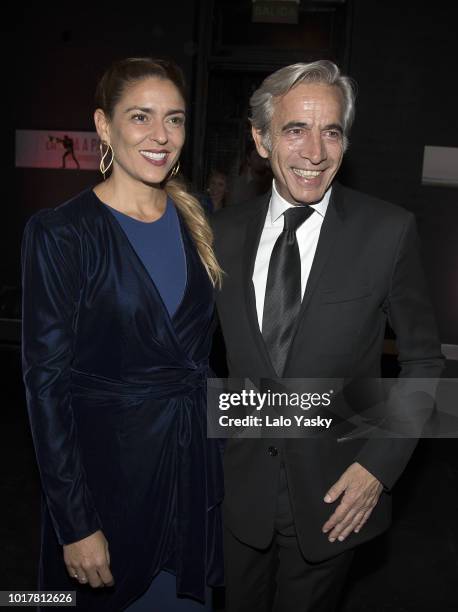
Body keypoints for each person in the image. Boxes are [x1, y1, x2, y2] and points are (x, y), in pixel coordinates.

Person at [211, 61, 444, 611]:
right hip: (236, 494)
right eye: (295, 130)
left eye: (331, 131)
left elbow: (424, 364)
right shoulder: (219, 235)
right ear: (262, 139)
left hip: (335, 495)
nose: (315, 151)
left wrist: (377, 469)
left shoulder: (388, 231)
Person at [22, 57, 224, 611]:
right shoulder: (63, 233)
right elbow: (45, 389)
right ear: (104, 126)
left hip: (189, 481)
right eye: (141, 117)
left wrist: (326, 412)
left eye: (175, 119)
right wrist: (75, 522)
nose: (162, 136)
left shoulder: (199, 216)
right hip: (109, 491)